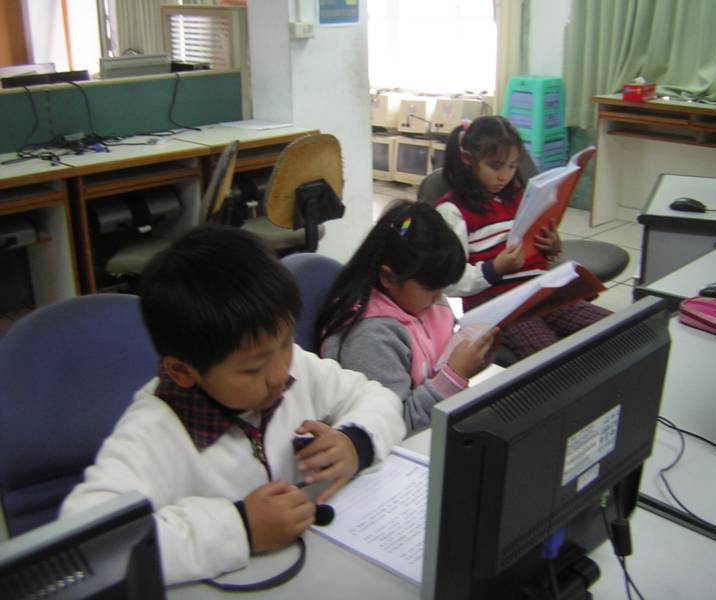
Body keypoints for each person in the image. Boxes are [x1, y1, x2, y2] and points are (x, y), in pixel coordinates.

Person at [59, 225, 405, 586]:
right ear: (181, 371)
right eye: (252, 369)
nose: (279, 374)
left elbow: (377, 397)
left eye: (285, 344)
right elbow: (89, 544)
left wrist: (354, 442)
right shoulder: (154, 433)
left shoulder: (297, 368)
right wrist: (240, 527)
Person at [435, 115, 611, 360]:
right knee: (551, 359)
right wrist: (494, 269)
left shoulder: (518, 198)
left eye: (512, 166)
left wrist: (551, 247)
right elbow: (450, 281)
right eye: (495, 166)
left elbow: (532, 250)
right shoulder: (453, 212)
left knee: (615, 329)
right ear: (467, 160)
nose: (504, 176)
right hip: (496, 303)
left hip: (538, 289)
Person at [315, 201, 496, 434]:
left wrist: (477, 354)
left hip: (437, 424)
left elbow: (444, 361)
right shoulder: (370, 338)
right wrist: (455, 376)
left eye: (443, 287)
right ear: (388, 277)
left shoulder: (429, 302)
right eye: (430, 288)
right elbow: (393, 424)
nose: (439, 298)